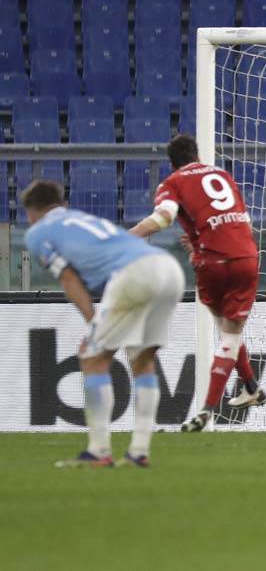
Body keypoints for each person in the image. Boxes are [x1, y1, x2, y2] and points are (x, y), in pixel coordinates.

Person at [23, 180, 185, 468]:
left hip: (132, 274)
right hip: (168, 268)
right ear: (61, 204)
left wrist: (93, 321)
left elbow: (69, 278)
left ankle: (99, 451)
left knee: (92, 357)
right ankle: (139, 452)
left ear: (31, 211)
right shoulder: (82, 218)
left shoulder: (37, 233)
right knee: (143, 360)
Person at [129, 134, 266, 433]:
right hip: (245, 257)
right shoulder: (223, 175)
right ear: (197, 154)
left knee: (226, 330)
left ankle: (221, 402)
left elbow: (164, 217)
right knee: (231, 333)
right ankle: (242, 392)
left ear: (172, 163)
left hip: (212, 263)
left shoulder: (172, 183)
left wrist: (128, 237)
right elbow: (240, 221)